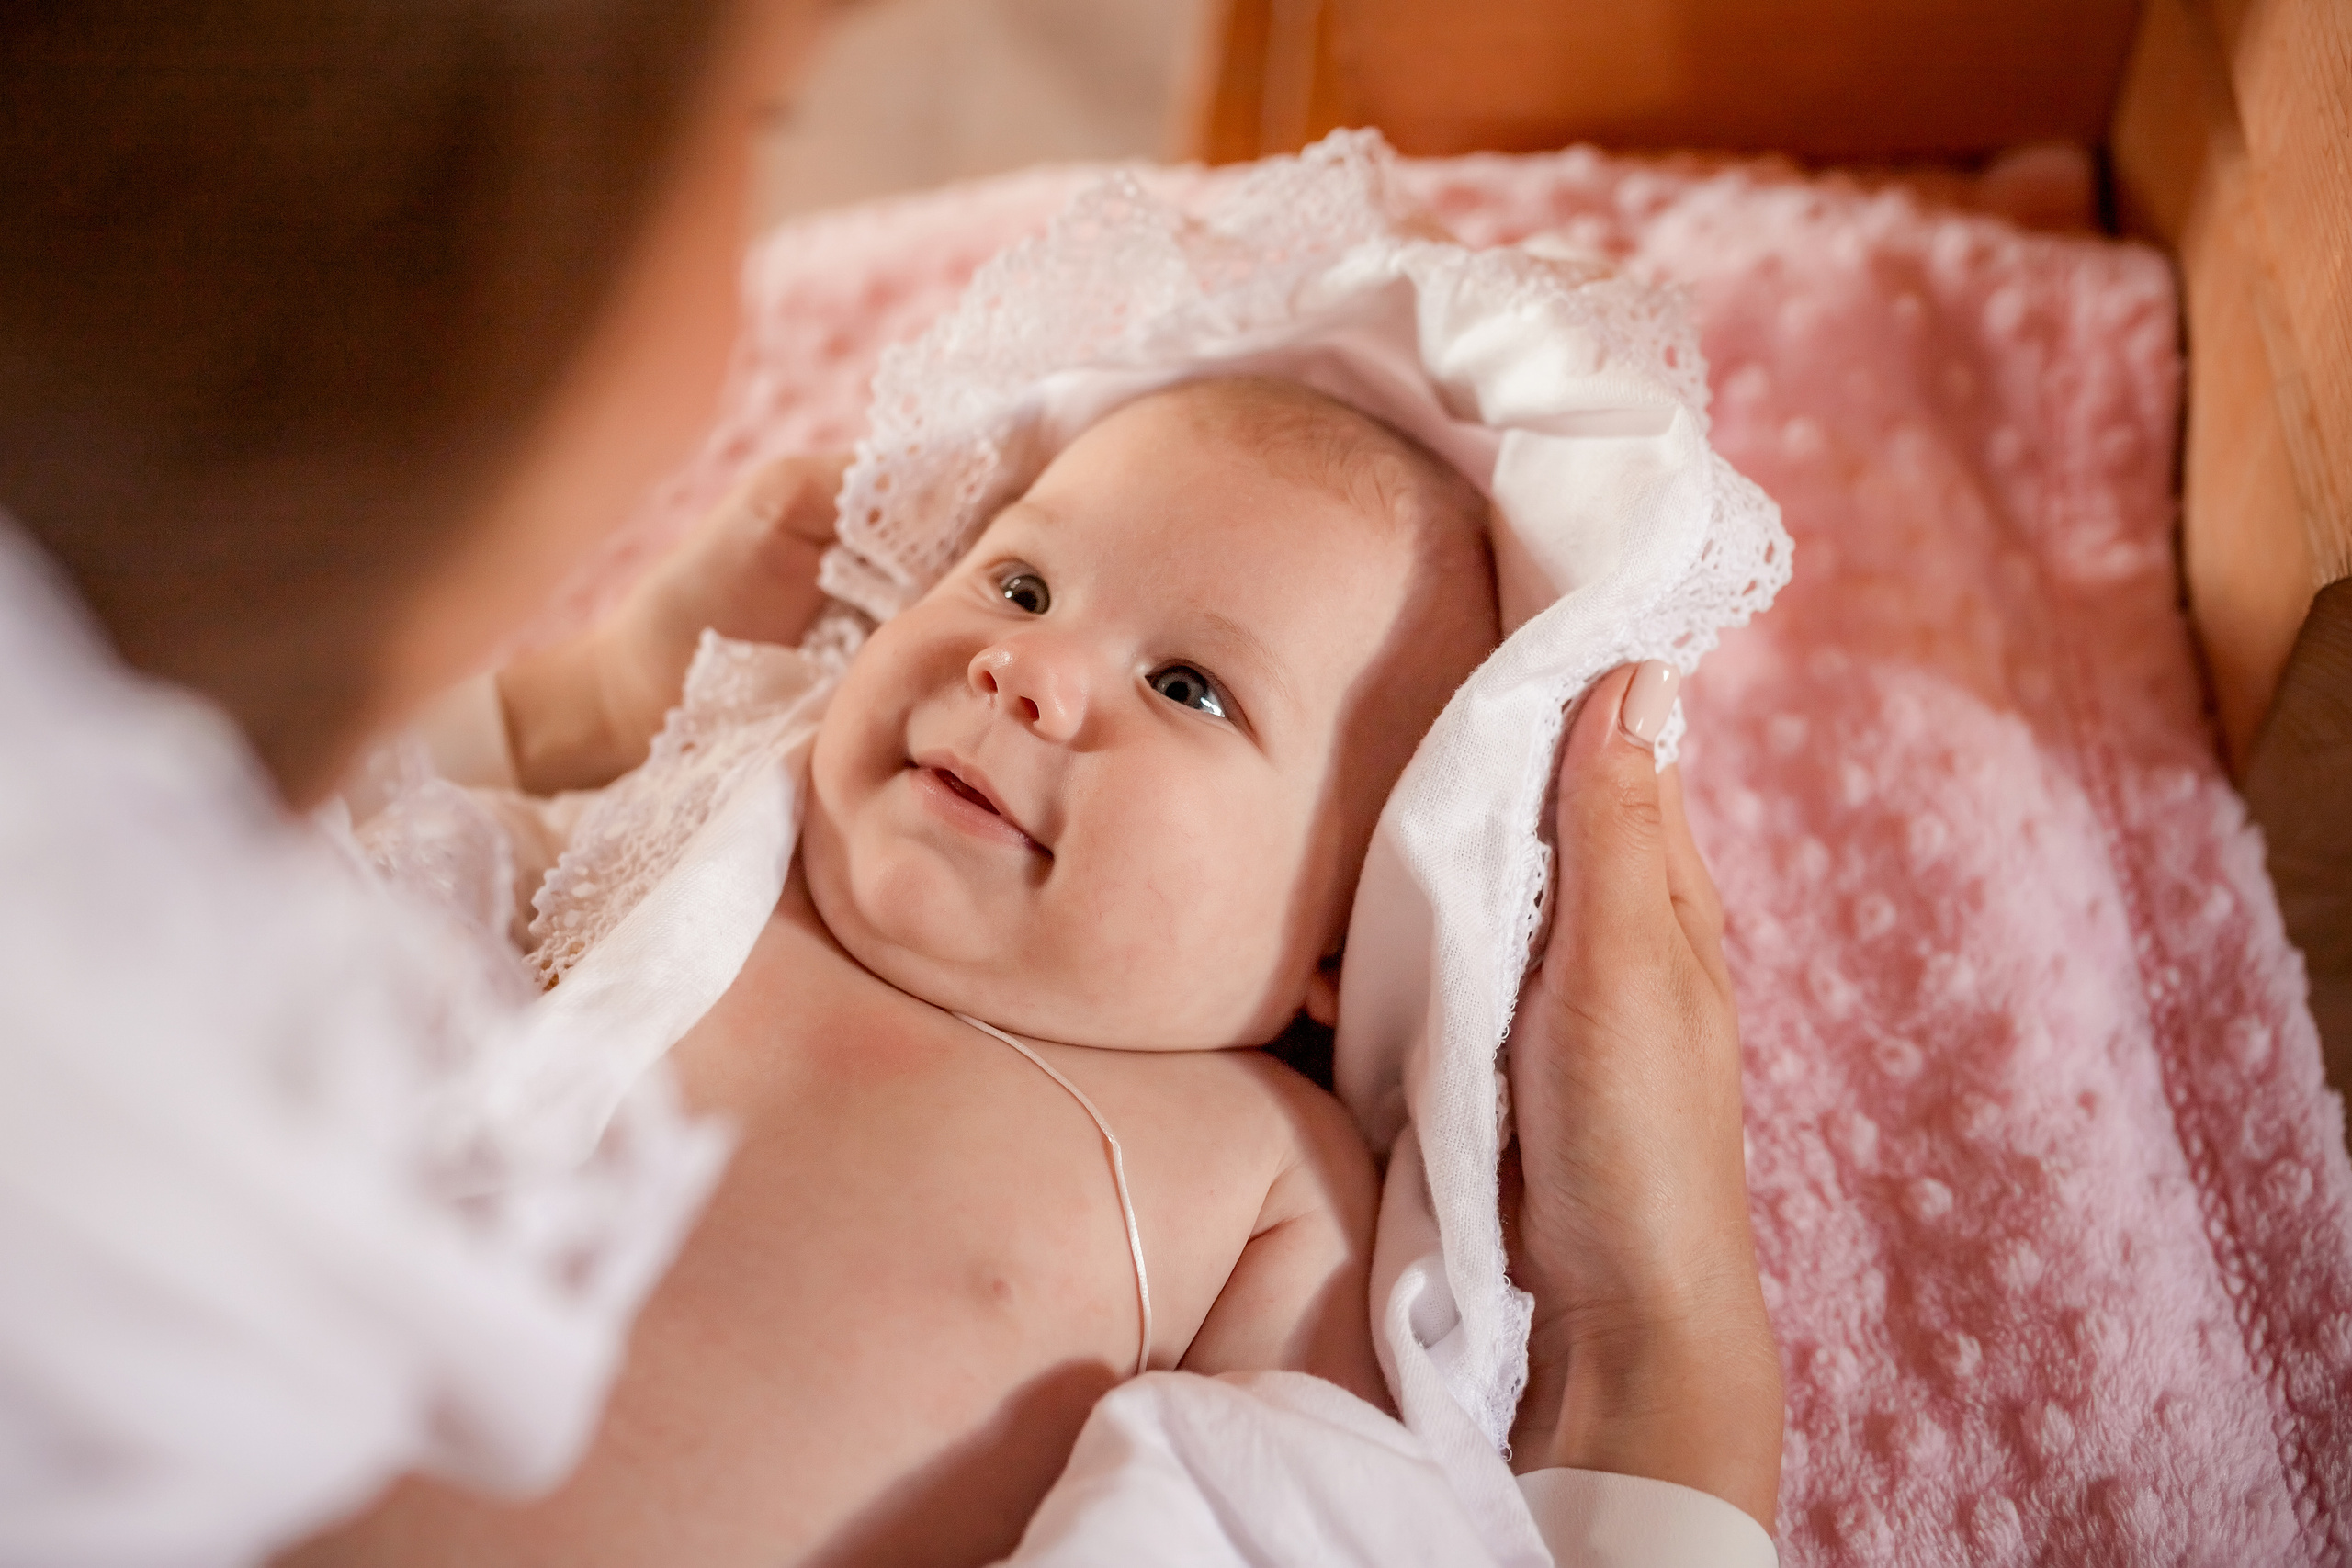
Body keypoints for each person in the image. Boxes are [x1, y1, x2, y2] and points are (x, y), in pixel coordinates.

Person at [0, 4, 1782, 1564]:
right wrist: (581, 712)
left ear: (1349, 929)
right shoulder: (695, 832)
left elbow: (1310, 1520)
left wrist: (1637, 1344)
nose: (1027, 663)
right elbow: (295, 887)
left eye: (1186, 684)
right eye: (1013, 580)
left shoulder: (1258, 1178)